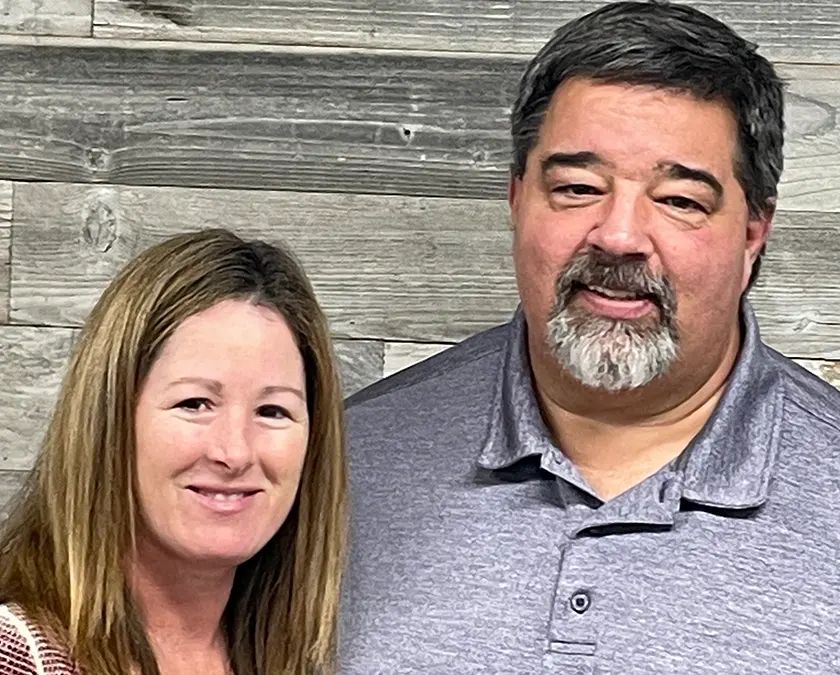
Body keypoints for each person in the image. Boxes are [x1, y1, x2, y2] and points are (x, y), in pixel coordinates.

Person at [340, 2, 840, 673]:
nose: (620, 237)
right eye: (578, 187)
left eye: (679, 200)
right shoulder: (341, 464)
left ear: (752, 232)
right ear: (518, 199)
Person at [0, 229, 347, 674]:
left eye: (273, 410)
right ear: (109, 421)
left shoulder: (300, 656)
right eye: (194, 403)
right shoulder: (20, 659)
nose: (235, 451)